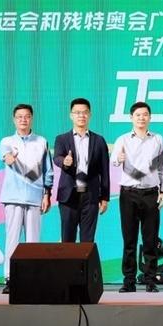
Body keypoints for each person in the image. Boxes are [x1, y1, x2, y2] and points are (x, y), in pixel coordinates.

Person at [110, 101, 163, 293]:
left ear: (150, 117)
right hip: (129, 194)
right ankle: (129, 281)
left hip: (151, 193)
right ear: (131, 118)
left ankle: (150, 280)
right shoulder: (123, 139)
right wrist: (118, 159)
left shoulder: (158, 139)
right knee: (129, 240)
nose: (141, 118)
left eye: (145, 115)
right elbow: (114, 160)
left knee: (150, 239)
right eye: (138, 115)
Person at [0, 103, 54, 294]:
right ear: (14, 119)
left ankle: (32, 279)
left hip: (35, 197)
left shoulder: (41, 141)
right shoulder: (6, 141)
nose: (23, 119)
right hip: (13, 197)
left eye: (27, 116)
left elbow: (48, 170)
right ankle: (10, 278)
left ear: (32, 118)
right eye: (19, 117)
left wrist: (47, 194)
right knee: (12, 240)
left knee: (33, 243)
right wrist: (11, 159)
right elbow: (7, 158)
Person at [52, 98, 110, 243]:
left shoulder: (99, 140)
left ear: (90, 115)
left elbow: (105, 170)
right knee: (67, 239)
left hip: (91, 196)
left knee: (87, 241)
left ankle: (86, 260)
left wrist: (104, 197)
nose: (81, 116)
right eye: (77, 112)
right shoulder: (62, 139)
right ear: (71, 115)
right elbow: (57, 157)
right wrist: (65, 162)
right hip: (68, 196)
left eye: (84, 112)